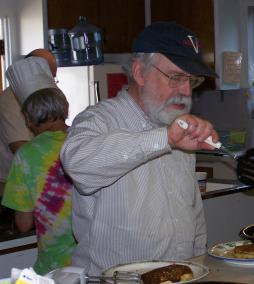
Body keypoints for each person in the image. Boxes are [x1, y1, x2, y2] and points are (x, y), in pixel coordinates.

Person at [60, 22, 219, 275]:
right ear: (139, 72)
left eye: (192, 80)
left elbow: (192, 213)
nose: (187, 91)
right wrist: (164, 139)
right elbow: (77, 163)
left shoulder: (177, 127)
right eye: (176, 77)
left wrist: (198, 265)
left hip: (181, 276)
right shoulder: (99, 120)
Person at [1, 57, 76, 275]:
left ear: (28, 117)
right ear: (63, 106)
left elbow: (23, 224)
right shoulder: (85, 138)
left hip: (55, 266)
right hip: (96, 259)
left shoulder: (26, 155)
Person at [0, 48, 57, 196]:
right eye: (48, 77)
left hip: (32, 183)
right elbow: (20, 149)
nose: (51, 83)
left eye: (53, 78)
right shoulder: (11, 100)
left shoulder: (39, 99)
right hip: (14, 188)